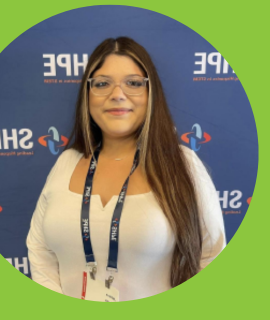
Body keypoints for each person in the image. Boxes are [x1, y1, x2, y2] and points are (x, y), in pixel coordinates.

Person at [26, 37, 226, 301]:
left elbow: (211, 257)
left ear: (150, 93)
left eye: (133, 83)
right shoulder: (67, 162)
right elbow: (40, 251)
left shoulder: (183, 164)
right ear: (88, 95)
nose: (117, 94)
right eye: (102, 83)